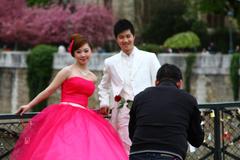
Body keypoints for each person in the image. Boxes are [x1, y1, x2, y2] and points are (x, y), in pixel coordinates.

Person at [11, 34, 128, 160]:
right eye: (79, 52)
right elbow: (48, 90)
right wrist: (29, 105)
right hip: (65, 116)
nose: (83, 55)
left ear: (91, 52)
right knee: (62, 151)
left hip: (84, 118)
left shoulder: (93, 77)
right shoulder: (67, 71)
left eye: (86, 51)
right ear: (73, 54)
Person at [98, 19, 160, 154]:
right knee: (125, 149)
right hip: (122, 112)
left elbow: (159, 84)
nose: (125, 40)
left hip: (147, 112)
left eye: (128, 36)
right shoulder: (110, 62)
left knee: (147, 147)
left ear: (134, 36)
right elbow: (103, 86)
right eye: (121, 37)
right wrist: (104, 102)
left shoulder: (149, 58)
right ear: (116, 39)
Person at [129, 64, 204, 160]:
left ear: (156, 82)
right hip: (171, 153)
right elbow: (197, 140)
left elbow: (132, 132)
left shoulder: (140, 97)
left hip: (138, 152)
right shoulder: (188, 99)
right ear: (180, 83)